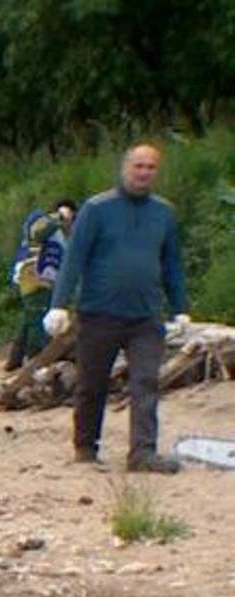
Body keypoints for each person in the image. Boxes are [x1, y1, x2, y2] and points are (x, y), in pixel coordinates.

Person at [47, 144, 190, 474]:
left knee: (146, 383)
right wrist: (59, 305)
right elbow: (74, 258)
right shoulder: (97, 210)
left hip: (146, 316)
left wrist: (180, 308)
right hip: (99, 314)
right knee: (92, 383)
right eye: (138, 166)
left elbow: (171, 264)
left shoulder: (163, 213)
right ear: (125, 168)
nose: (144, 173)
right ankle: (85, 447)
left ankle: (143, 452)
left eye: (151, 167)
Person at [7, 200, 78, 371]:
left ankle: (14, 360)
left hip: (45, 281)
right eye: (70, 217)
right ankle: (35, 358)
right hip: (33, 276)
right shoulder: (41, 219)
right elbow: (37, 232)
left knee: (29, 318)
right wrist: (59, 216)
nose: (70, 222)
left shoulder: (62, 237)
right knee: (37, 319)